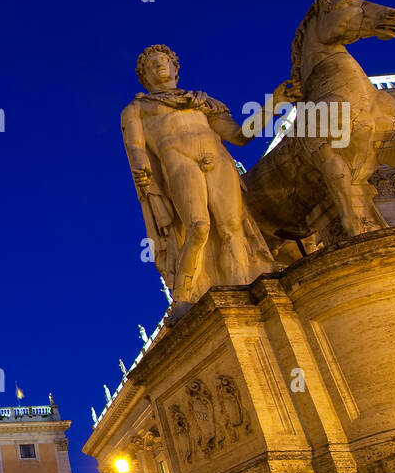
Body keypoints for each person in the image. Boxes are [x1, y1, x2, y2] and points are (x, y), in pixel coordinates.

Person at [119, 44, 277, 317]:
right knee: (198, 226)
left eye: (164, 61)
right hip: (178, 162)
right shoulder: (138, 108)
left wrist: (275, 104)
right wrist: (140, 166)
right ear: (144, 76)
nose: (160, 66)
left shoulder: (201, 102)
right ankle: (184, 296)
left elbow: (238, 135)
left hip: (217, 159)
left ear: (175, 68)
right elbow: (135, 146)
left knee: (232, 228)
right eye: (152, 64)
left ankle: (245, 294)